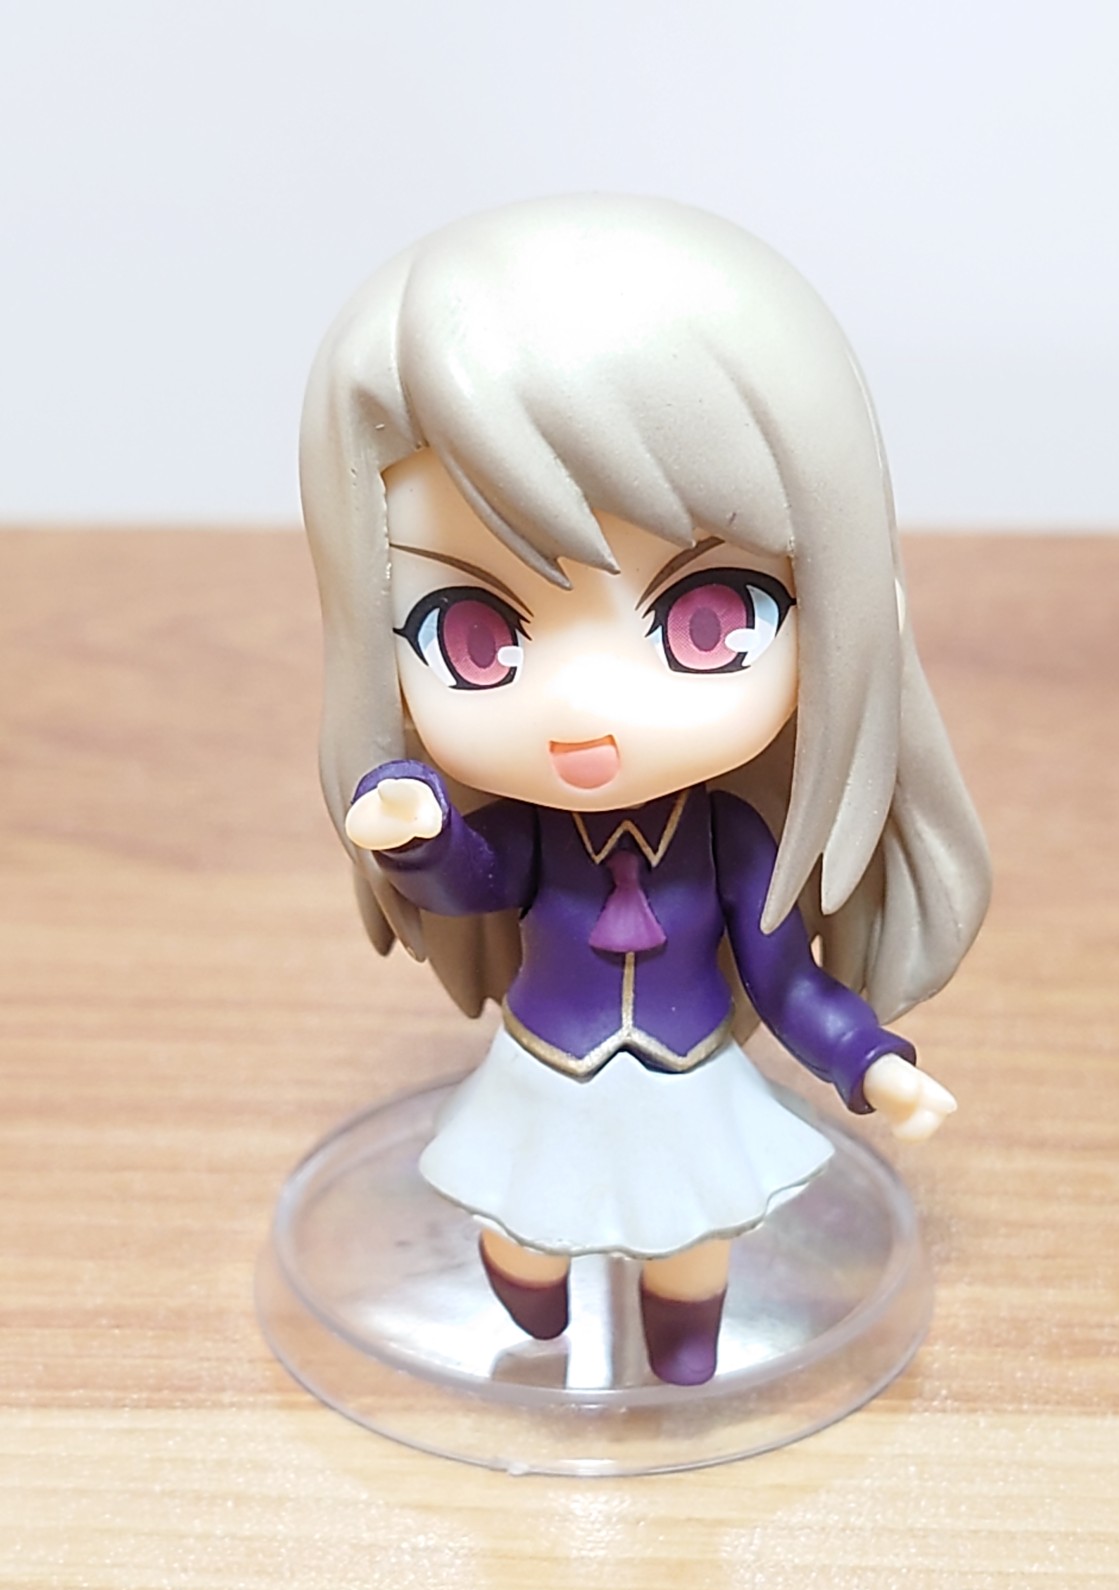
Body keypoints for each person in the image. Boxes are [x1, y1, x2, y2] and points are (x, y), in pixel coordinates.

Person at [300, 195, 990, 1384]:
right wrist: (416, 835)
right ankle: (531, 1297)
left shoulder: (731, 843)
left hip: (686, 1075)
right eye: (474, 634)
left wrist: (868, 1059)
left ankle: (682, 1354)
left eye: (707, 620)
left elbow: (786, 981)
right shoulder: (535, 835)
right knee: (523, 1232)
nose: (586, 704)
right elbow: (475, 881)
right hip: (549, 1067)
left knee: (693, 1245)